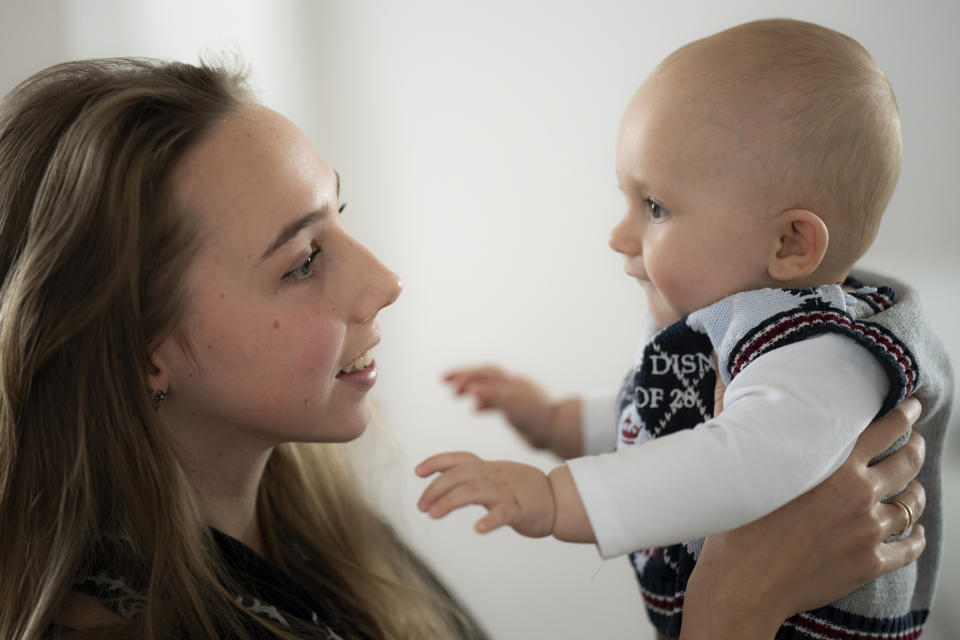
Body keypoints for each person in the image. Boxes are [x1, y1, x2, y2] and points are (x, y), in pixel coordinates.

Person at [0, 57, 930, 640]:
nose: (383, 282)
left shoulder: (332, 546)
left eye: (343, 217)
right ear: (141, 353)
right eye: (302, 261)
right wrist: (737, 608)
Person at [417, 18, 954, 639]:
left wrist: (555, 497)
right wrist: (550, 418)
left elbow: (736, 463)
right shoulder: (738, 327)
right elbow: (658, 418)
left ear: (789, 242)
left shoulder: (822, 355)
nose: (619, 236)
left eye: (655, 207)